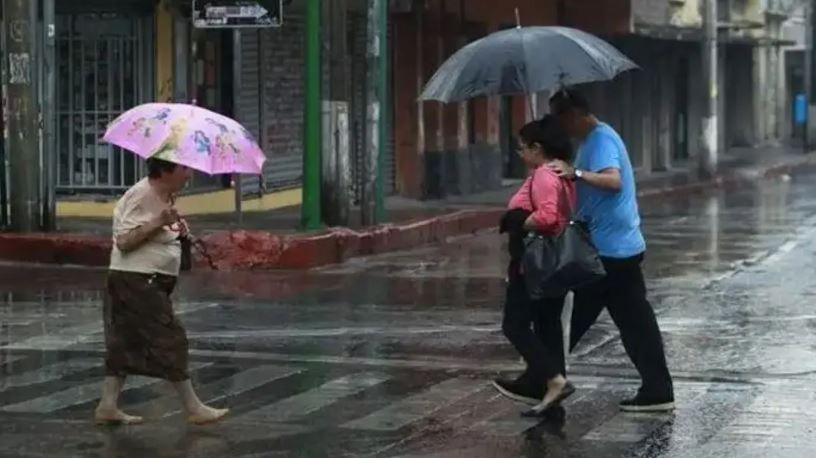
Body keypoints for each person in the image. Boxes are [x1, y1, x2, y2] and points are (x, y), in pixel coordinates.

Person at [548, 89, 675, 412]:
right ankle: (657, 390)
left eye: (562, 121)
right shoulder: (592, 141)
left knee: (566, 315)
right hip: (616, 249)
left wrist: (575, 173)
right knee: (635, 323)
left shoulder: (601, 139)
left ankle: (545, 377)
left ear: (574, 114)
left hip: (609, 252)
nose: (562, 129)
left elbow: (613, 181)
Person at [94, 158, 229, 426]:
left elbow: (156, 233)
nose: (189, 174)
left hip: (147, 280)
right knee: (171, 337)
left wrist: (176, 231)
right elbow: (124, 241)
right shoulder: (141, 194)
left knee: (125, 341)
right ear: (165, 170)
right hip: (136, 280)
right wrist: (159, 221)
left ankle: (107, 406)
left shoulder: (165, 196)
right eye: (184, 168)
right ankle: (193, 407)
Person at [492, 115, 576, 415]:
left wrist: (516, 221)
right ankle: (547, 389)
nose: (519, 153)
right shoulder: (562, 175)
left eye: (522, 147)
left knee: (514, 325)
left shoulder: (544, 175)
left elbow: (548, 217)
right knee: (547, 325)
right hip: (556, 261)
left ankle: (554, 380)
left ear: (537, 148)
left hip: (533, 262)